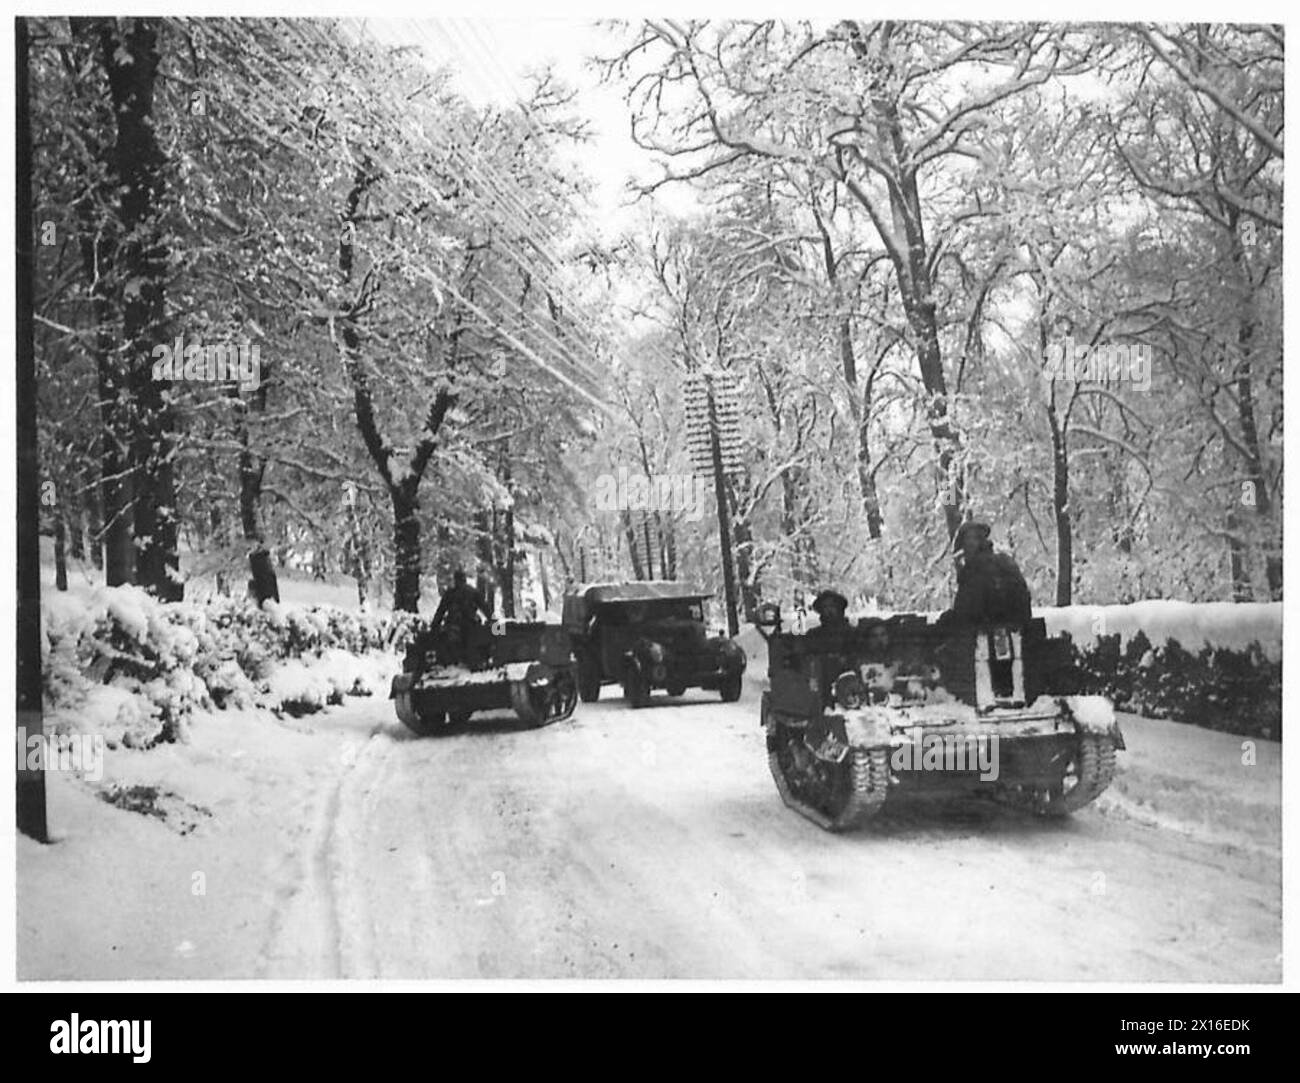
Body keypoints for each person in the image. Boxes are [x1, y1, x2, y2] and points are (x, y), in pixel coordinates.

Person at [937, 522, 1032, 629]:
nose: (970, 543)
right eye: (967, 539)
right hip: (1011, 627)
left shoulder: (978, 568)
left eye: (974, 538)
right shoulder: (999, 561)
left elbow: (969, 611)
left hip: (991, 630)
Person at [430, 570, 492, 664]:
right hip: (470, 625)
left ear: (455, 580)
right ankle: (474, 660)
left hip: (453, 625)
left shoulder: (450, 593)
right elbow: (486, 609)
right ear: (465, 579)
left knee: (449, 643)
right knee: (474, 641)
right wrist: (495, 622)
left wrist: (434, 626)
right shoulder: (473, 592)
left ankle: (454, 661)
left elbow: (440, 611)